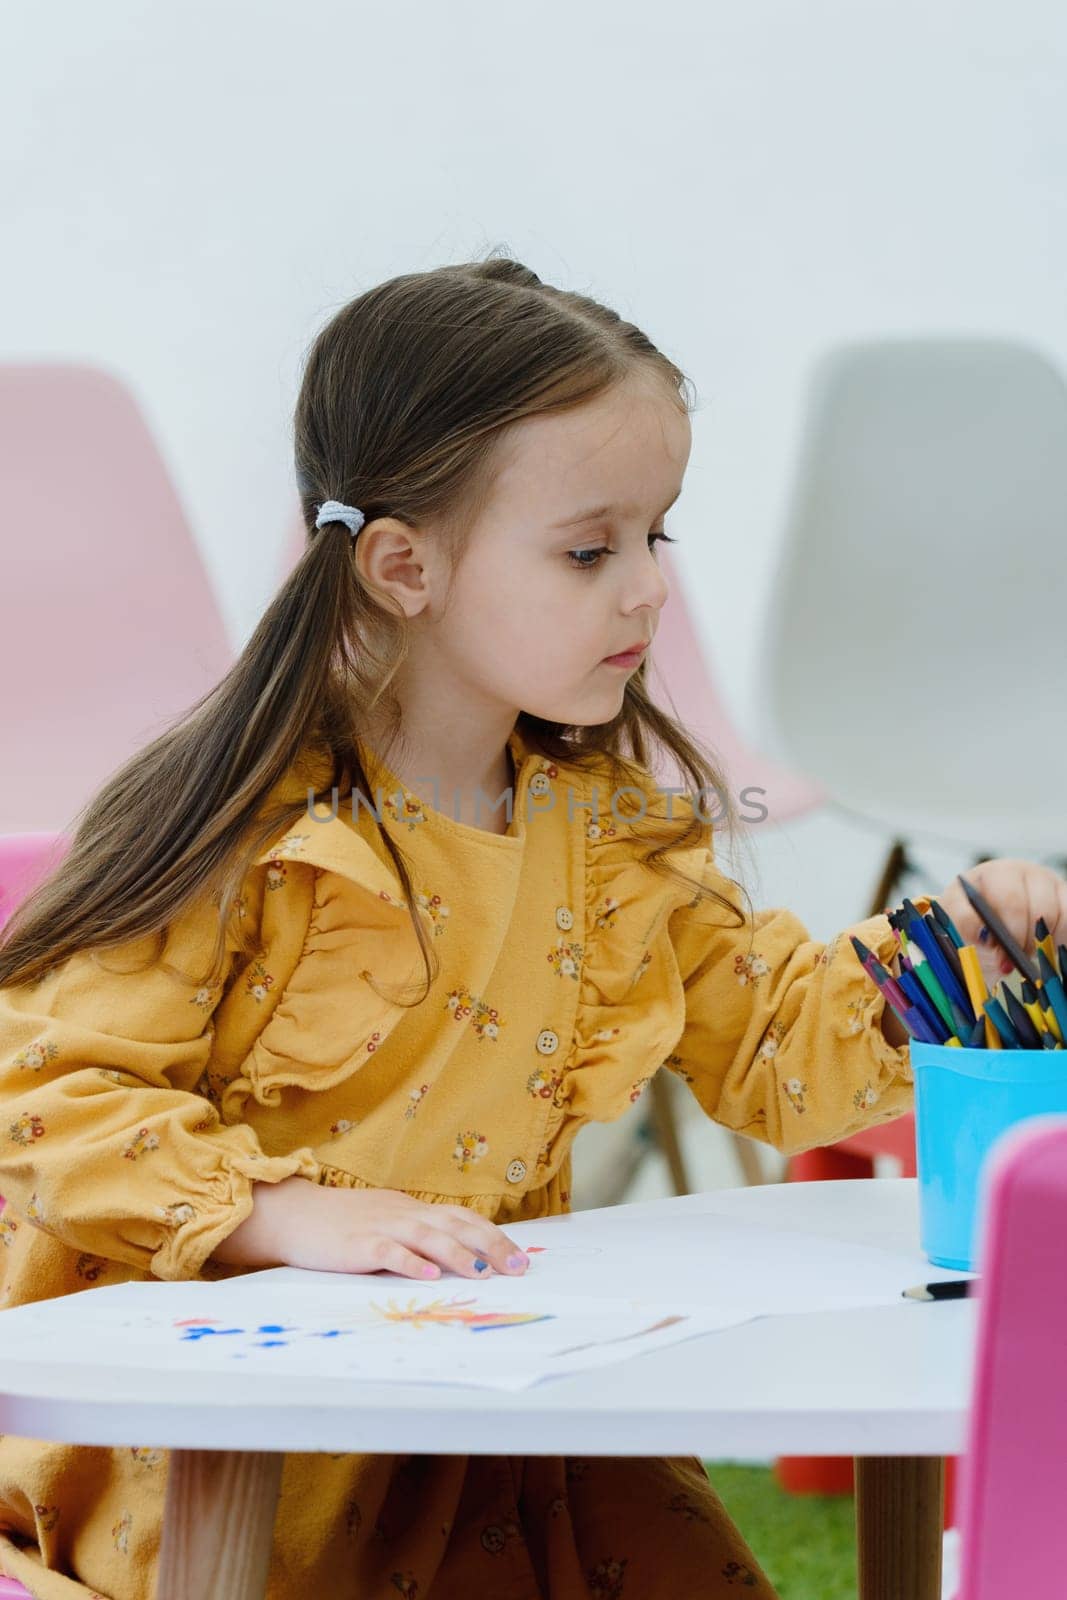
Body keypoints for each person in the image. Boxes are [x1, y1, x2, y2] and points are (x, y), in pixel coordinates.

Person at [0, 255, 1063, 1600]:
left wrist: (954, 948)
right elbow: (42, 1096)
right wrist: (278, 1213)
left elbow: (779, 1052)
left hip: (508, 1413)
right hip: (241, 1448)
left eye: (656, 537)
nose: (650, 592)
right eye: (588, 551)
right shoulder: (253, 828)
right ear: (403, 566)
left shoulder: (607, 833)